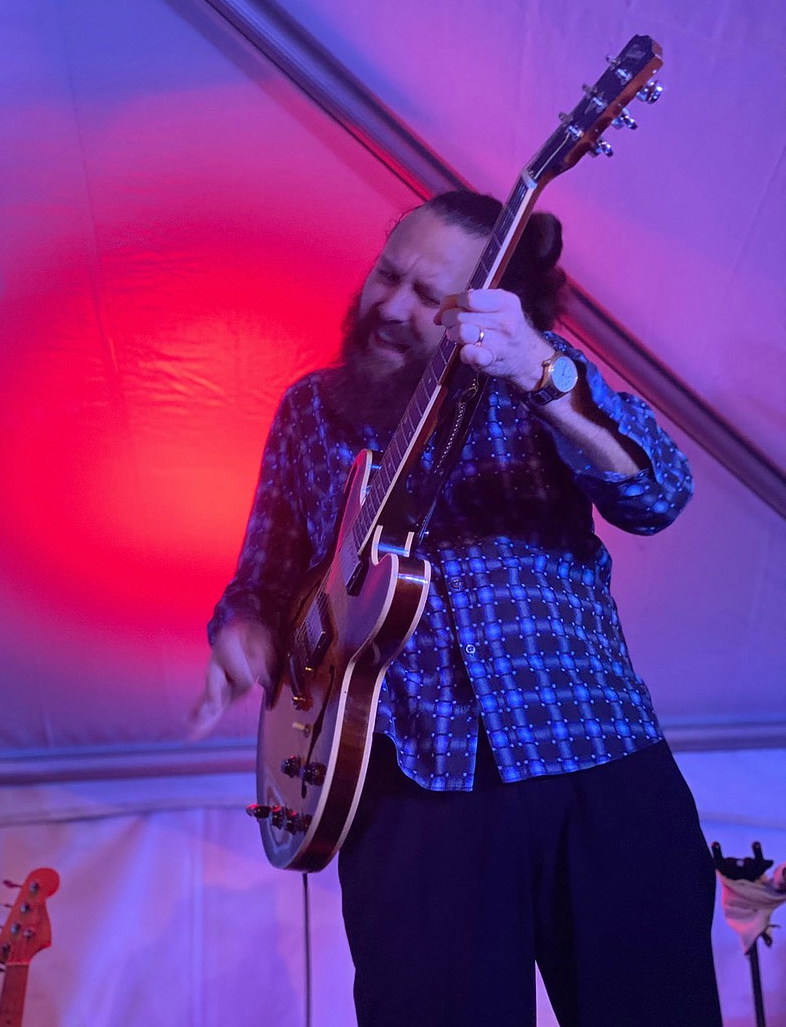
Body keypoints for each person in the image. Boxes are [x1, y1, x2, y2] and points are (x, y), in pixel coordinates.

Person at [192, 191, 722, 1026]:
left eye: (429, 295)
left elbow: (659, 493)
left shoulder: (540, 375)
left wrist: (540, 374)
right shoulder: (310, 414)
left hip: (592, 754)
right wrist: (243, 631)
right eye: (386, 274)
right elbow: (260, 580)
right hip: (404, 781)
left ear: (486, 305)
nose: (392, 307)